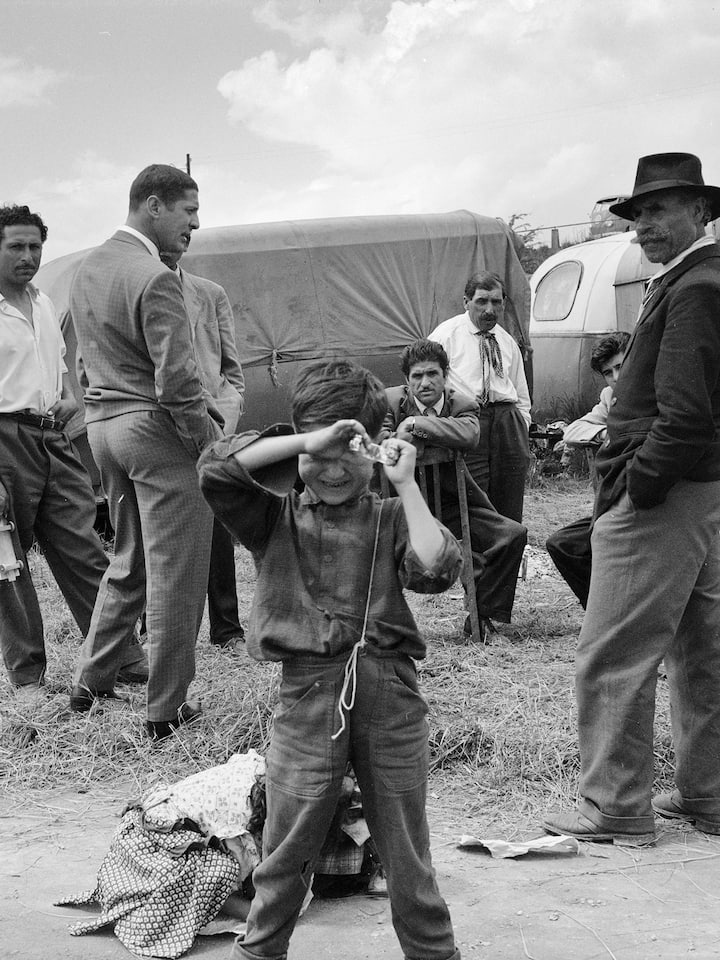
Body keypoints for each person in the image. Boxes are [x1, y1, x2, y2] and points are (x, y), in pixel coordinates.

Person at [198, 359, 462, 960]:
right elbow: (215, 469)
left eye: (351, 450)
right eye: (322, 451)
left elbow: (438, 568)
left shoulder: (391, 516)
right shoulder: (273, 518)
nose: (335, 467)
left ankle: (433, 952)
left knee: (406, 850)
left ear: (374, 447)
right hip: (308, 697)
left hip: (392, 698)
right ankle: (261, 949)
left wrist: (406, 485)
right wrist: (308, 441)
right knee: (288, 845)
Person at [543, 152, 720, 844]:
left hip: (666, 493)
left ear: (700, 212)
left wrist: (634, 485)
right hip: (702, 490)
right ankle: (708, 794)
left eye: (660, 209)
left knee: (614, 651)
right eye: (638, 212)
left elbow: (683, 415)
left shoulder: (695, 287)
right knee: (701, 649)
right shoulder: (694, 279)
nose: (645, 224)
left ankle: (614, 805)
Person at [69, 164, 222, 741]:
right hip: (154, 433)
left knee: (129, 559)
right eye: (189, 212)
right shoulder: (156, 278)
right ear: (153, 205)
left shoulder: (88, 268)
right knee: (179, 575)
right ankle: (164, 710)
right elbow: (179, 383)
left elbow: (81, 362)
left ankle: (89, 680)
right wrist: (209, 446)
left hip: (104, 429)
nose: (196, 225)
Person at [0, 205, 146, 700]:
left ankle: (120, 657)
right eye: (15, 246)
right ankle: (27, 678)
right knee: (9, 563)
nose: (28, 256)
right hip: (4, 441)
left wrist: (66, 400)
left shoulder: (42, 303)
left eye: (34, 246)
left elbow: (60, 371)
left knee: (83, 549)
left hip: (51, 436)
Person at [381, 338, 527, 641]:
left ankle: (481, 616)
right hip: (398, 508)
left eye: (433, 374)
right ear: (406, 382)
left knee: (512, 535)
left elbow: (469, 434)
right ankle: (379, 625)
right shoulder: (388, 402)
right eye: (417, 376)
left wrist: (414, 424)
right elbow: (386, 446)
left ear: (445, 376)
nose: (425, 383)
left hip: (452, 503)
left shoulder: (461, 403)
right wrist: (418, 431)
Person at [159, 243, 246, 649]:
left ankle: (227, 627)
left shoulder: (210, 294)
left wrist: (222, 422)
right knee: (158, 532)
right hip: (159, 430)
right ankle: (157, 629)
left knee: (216, 524)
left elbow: (232, 371)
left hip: (212, 428)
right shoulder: (134, 291)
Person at [429, 270, 531, 522]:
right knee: (473, 497)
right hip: (469, 421)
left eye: (496, 302)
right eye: (482, 301)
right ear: (466, 302)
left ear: (504, 304)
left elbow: (521, 393)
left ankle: (508, 556)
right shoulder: (445, 336)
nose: (489, 309)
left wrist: (521, 425)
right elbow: (427, 385)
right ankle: (476, 559)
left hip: (507, 425)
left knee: (509, 499)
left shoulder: (506, 342)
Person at [545, 332, 630, 608]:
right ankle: (602, 612)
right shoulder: (610, 397)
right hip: (614, 501)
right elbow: (573, 430)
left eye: (621, 366)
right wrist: (606, 433)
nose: (616, 377)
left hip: (648, 500)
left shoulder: (656, 390)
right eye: (608, 372)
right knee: (563, 545)